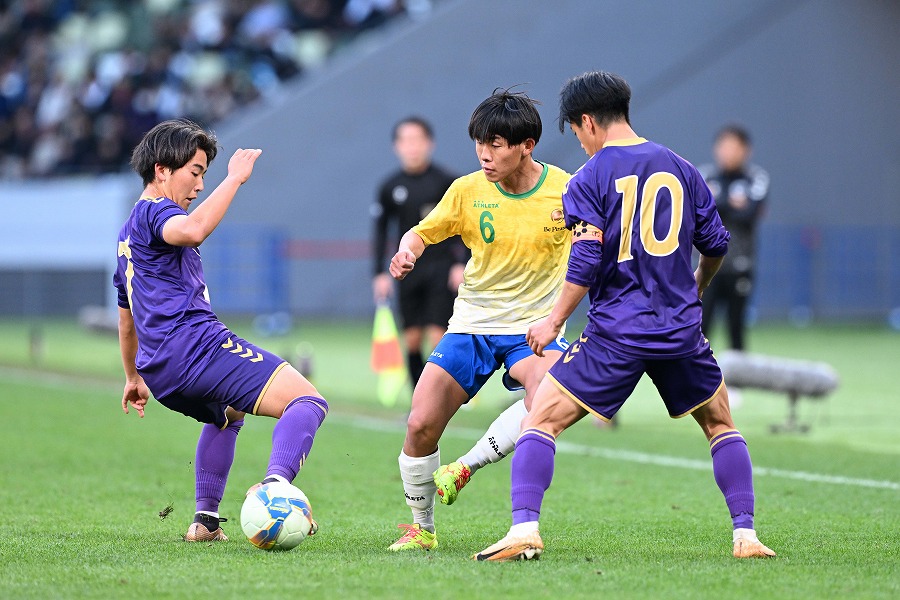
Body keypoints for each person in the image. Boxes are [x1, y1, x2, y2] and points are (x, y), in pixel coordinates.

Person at [476, 71, 775, 561]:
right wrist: (696, 288)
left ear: (588, 121)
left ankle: (524, 529)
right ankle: (746, 536)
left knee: (541, 419)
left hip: (617, 332)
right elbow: (716, 244)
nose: (581, 141)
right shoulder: (682, 168)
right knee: (721, 423)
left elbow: (586, 257)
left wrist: (553, 322)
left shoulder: (589, 177)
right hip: (679, 331)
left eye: (577, 131)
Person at [115, 119, 328, 542]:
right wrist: (234, 179)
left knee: (228, 414)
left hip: (160, 371)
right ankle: (275, 490)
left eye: (205, 175)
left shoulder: (125, 239)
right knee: (307, 401)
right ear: (161, 170)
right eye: (194, 172)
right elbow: (193, 230)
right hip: (195, 347)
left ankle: (205, 522)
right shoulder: (156, 211)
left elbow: (127, 319)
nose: (199, 186)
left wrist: (133, 377)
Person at [386, 89, 572, 552]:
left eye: (495, 144)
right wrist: (408, 251)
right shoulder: (467, 190)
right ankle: (422, 529)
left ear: (527, 145)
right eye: (479, 143)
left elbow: (598, 247)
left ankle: (484, 484)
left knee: (549, 401)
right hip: (472, 325)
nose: (484, 155)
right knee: (420, 423)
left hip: (533, 329)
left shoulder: (566, 191)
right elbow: (421, 232)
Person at [372, 117, 466, 384]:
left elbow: (464, 225)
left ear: (429, 143)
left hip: (442, 267)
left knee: (438, 337)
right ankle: (418, 398)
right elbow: (381, 230)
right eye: (406, 140)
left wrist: (462, 263)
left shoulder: (446, 182)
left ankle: (441, 398)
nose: (412, 146)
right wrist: (379, 273)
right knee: (412, 339)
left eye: (417, 140)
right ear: (397, 146)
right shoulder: (389, 187)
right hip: (407, 270)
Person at [698, 125, 769, 350]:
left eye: (734, 147)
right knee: (699, 328)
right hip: (706, 267)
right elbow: (697, 211)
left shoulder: (756, 178)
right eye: (724, 146)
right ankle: (696, 373)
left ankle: (737, 374)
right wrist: (732, 203)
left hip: (740, 265)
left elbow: (749, 215)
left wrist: (716, 202)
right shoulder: (704, 175)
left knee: (736, 328)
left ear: (746, 151)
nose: (728, 152)